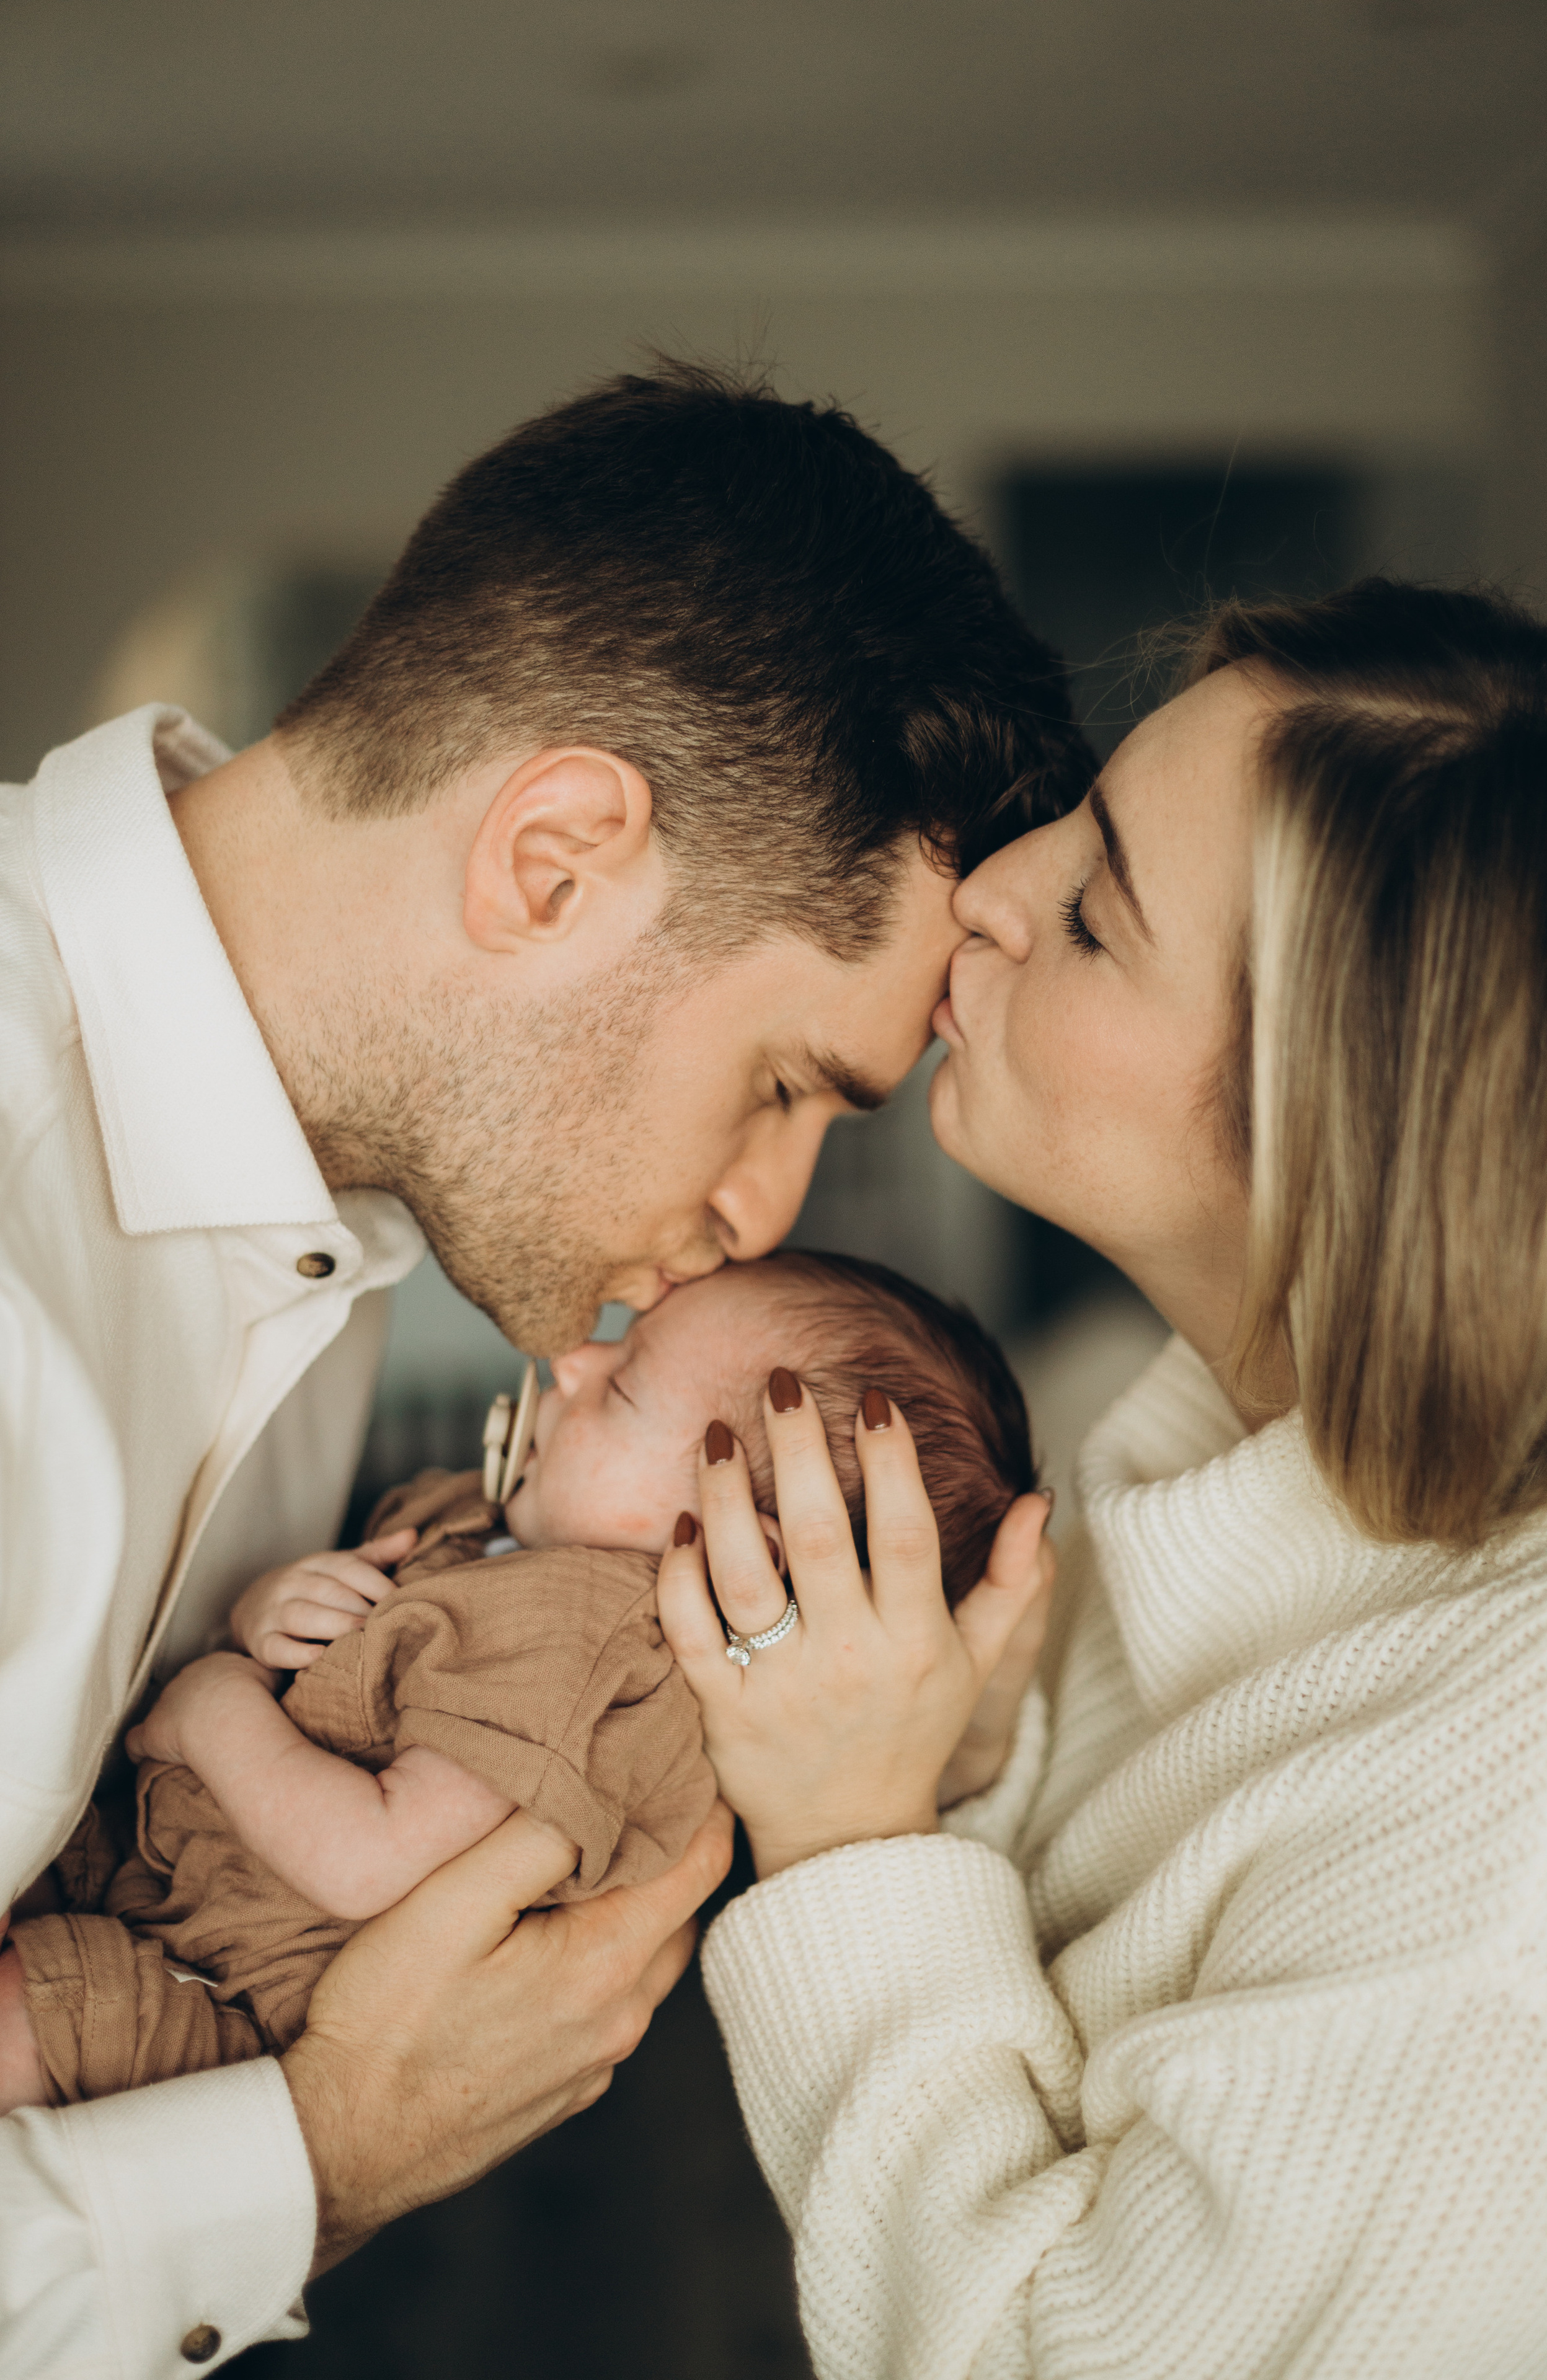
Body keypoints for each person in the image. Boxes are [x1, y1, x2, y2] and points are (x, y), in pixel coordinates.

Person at [0, 361, 1081, 2373]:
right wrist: (315, 2158)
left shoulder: (328, 1257)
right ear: (557, 859)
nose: (764, 1219)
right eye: (783, 1083)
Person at [658, 580, 1547, 2378]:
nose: (986, 892)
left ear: (1338, 1127)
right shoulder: (1168, 1475)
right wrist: (962, 1764)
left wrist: (854, 1841)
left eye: (1093, 914)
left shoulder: (1514, 1891)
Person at [0, 1249, 1035, 2109]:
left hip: (208, 1990)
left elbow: (370, 1858)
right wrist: (275, 1608)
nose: (573, 1360)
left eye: (624, 1381)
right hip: (153, 1869)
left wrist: (215, 1707)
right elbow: (364, 1654)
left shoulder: (586, 1650)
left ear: (740, 1555)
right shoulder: (514, 1531)